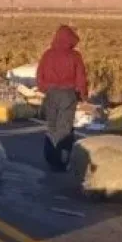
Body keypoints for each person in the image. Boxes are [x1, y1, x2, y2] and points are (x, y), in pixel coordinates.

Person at [37, 25, 88, 171]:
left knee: (52, 125)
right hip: (68, 94)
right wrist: (83, 94)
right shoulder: (75, 56)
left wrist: (44, 88)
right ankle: (61, 159)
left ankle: (51, 156)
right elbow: (81, 77)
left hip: (51, 93)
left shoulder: (48, 54)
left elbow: (40, 74)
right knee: (64, 127)